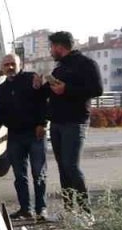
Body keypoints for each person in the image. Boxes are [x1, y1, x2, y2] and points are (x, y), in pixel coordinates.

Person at [43, 31, 103, 219]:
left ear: (60, 47)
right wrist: (41, 85)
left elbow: (97, 90)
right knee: (63, 168)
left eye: (52, 47)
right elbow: (51, 92)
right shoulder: (59, 68)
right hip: (57, 123)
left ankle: (86, 214)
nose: (51, 51)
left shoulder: (86, 64)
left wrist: (66, 89)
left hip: (75, 123)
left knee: (71, 167)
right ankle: (69, 212)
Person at [0, 53, 49, 221]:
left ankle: (41, 210)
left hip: (34, 134)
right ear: (2, 68)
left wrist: (43, 123)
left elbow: (43, 102)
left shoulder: (31, 79)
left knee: (38, 173)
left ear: (20, 65)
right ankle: (25, 209)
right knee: (20, 176)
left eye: (13, 64)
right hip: (15, 136)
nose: (10, 67)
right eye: (6, 65)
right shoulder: (2, 89)